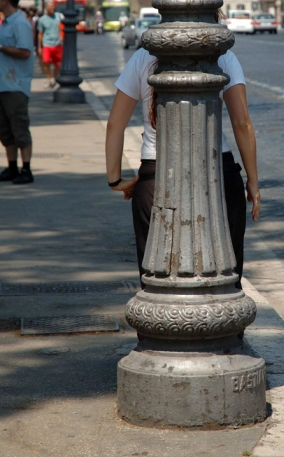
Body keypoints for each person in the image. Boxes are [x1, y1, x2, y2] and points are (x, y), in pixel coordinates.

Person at [105, 40, 261, 290]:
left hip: (156, 178)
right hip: (219, 176)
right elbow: (242, 122)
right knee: (226, 278)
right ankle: (226, 329)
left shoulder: (142, 57)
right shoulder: (224, 57)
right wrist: (252, 181)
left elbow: (115, 124)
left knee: (155, 279)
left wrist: (115, 179)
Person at [0, 0, 34, 185]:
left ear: (6, 0)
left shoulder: (20, 24)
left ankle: (26, 169)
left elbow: (25, 52)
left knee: (19, 128)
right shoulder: (4, 23)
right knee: (4, 130)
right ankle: (12, 167)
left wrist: (0, 46)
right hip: (1, 85)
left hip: (15, 86)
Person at [37, 2, 64, 88]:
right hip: (47, 43)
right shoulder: (42, 20)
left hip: (57, 43)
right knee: (45, 61)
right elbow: (40, 34)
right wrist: (39, 46)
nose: (53, 8)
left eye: (53, 7)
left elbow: (64, 24)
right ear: (46, 8)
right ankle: (48, 78)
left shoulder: (58, 16)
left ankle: (55, 79)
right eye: (51, 7)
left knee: (57, 63)